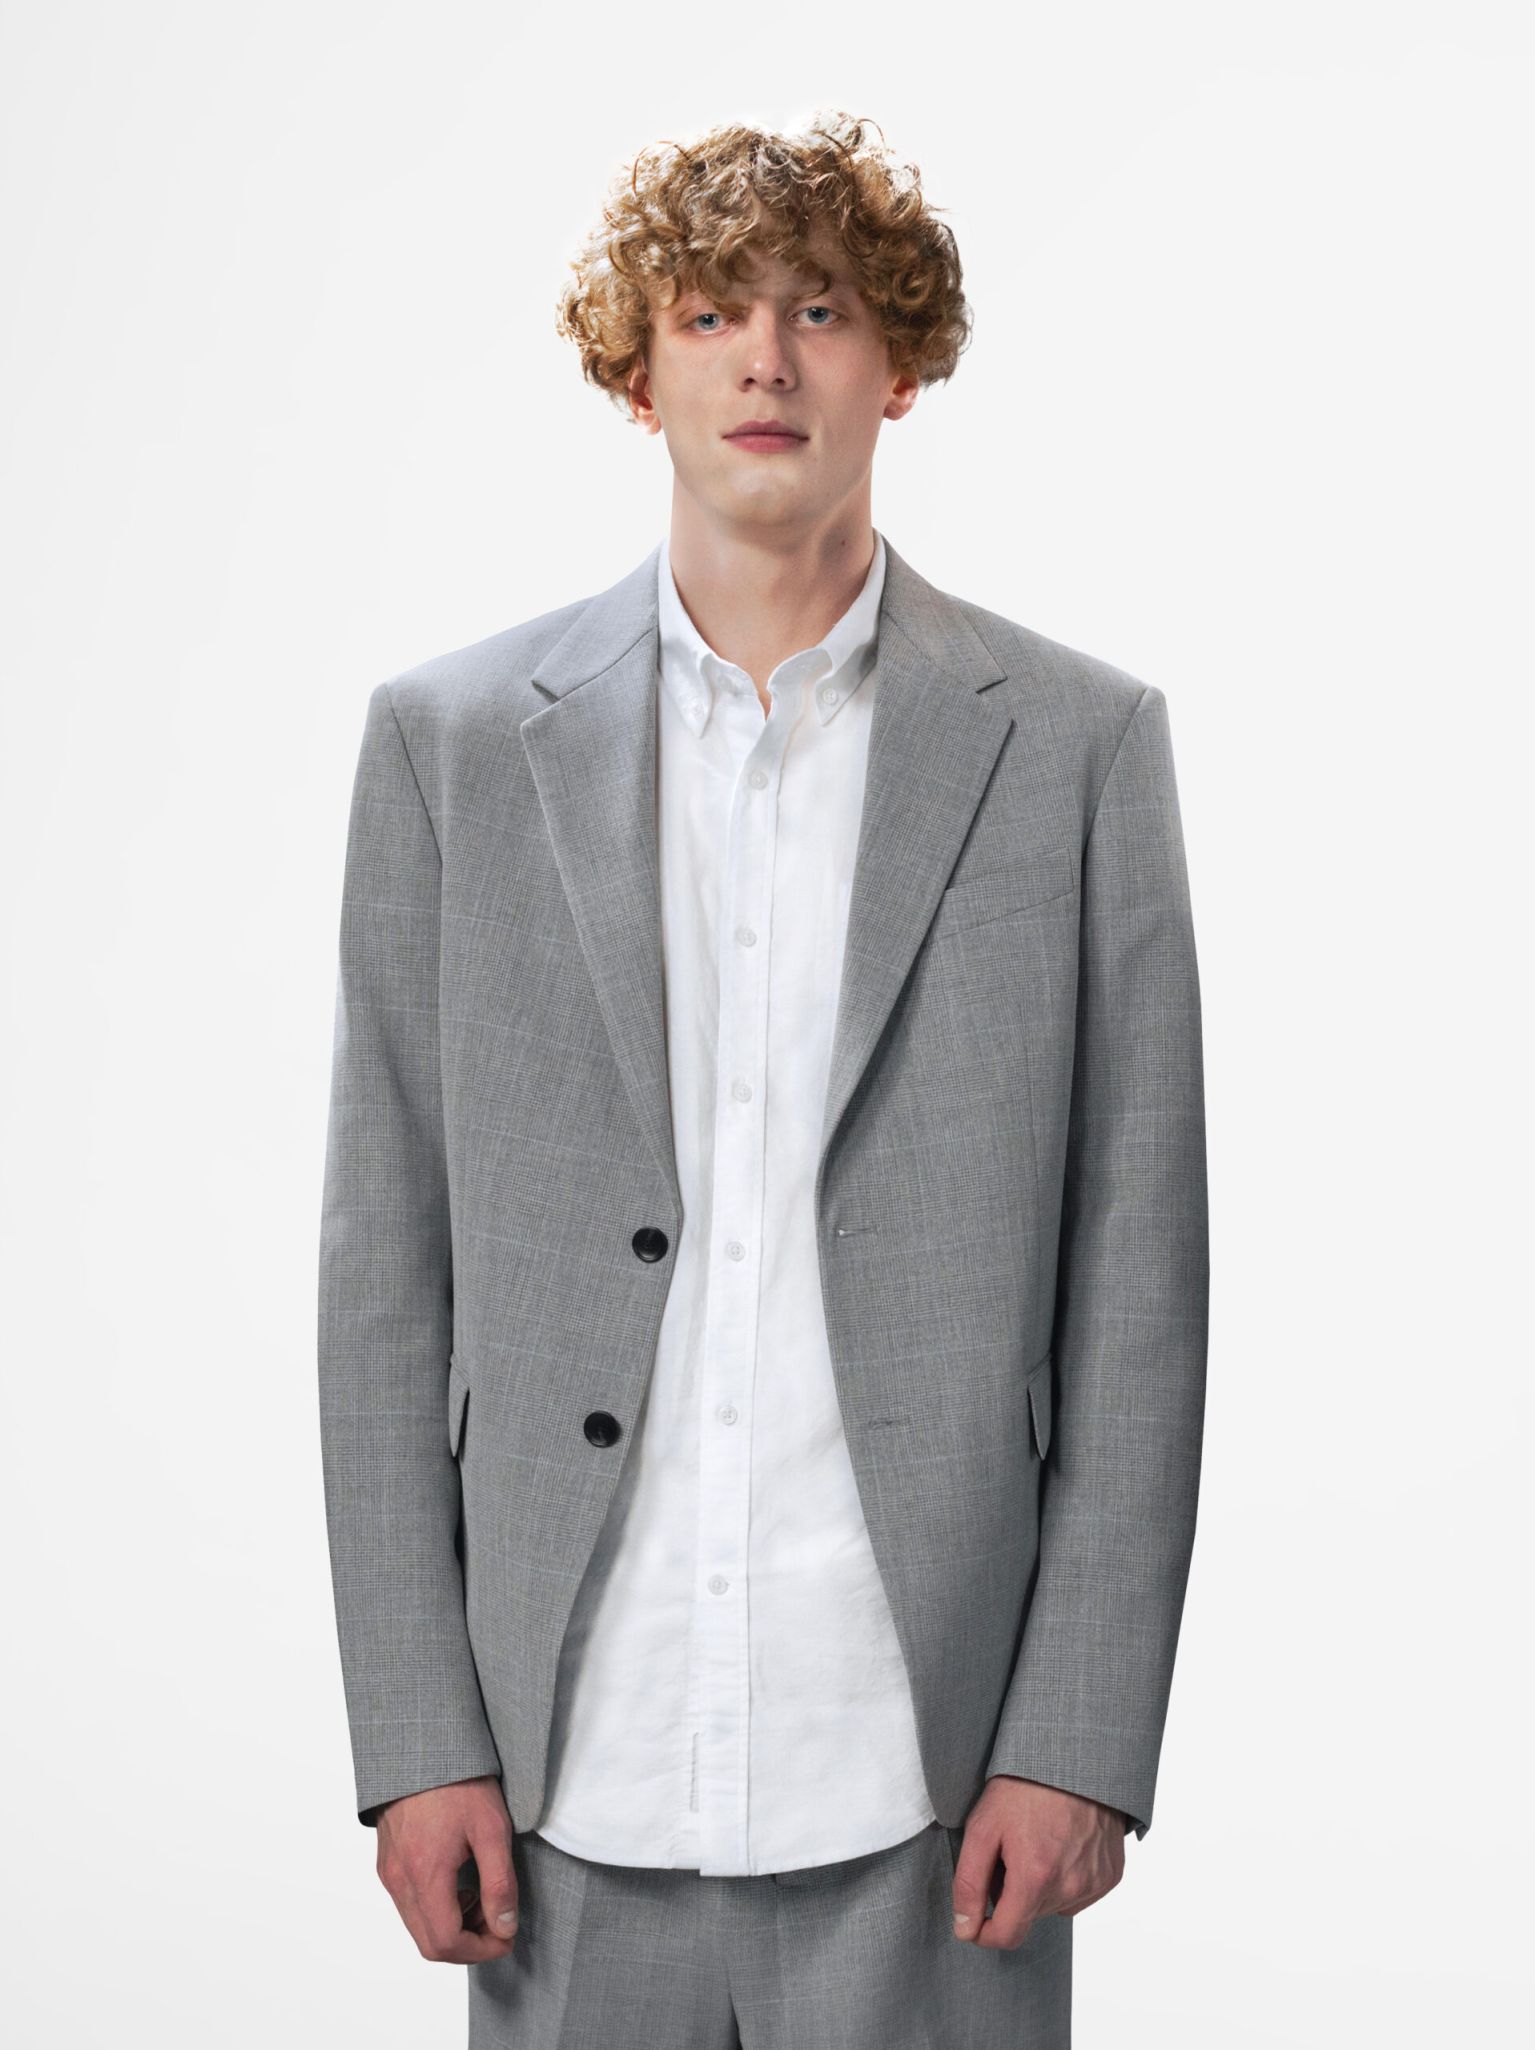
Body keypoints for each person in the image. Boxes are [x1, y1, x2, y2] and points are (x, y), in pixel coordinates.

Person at [318, 109, 1209, 2050]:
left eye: (823, 309)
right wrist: (414, 1733)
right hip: (562, 1773)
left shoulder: (1076, 749)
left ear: (903, 363)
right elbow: (385, 1277)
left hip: (934, 1774)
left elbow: (1139, 1282)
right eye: (712, 313)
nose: (769, 360)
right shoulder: (450, 750)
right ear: (638, 373)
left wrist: (1077, 1734)